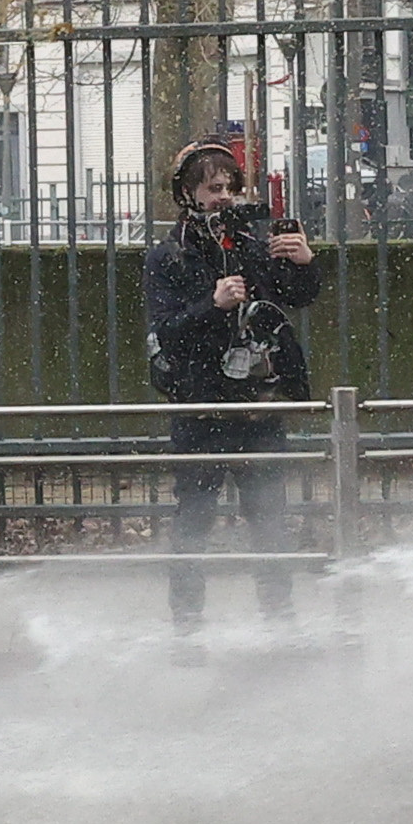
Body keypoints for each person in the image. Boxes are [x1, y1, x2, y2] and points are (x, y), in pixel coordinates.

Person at [143, 137, 325, 639]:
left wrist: (305, 263)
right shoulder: (168, 256)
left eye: (228, 186)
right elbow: (167, 333)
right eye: (211, 188)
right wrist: (212, 304)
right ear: (187, 193)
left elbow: (294, 298)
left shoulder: (251, 245)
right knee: (193, 521)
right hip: (199, 410)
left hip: (259, 410)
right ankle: (187, 622)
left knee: (269, 517)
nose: (222, 196)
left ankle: (279, 617)